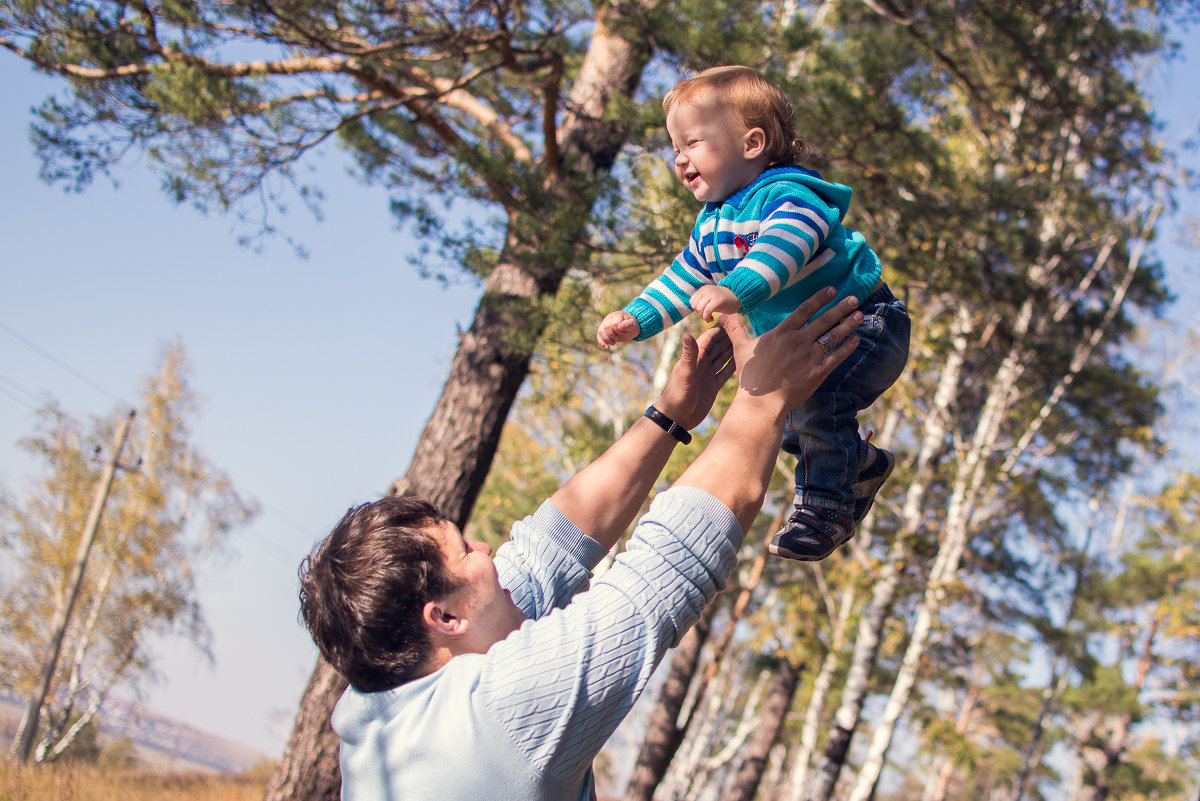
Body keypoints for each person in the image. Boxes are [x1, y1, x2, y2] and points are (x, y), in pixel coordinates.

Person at [299, 288, 864, 801]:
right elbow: (669, 564)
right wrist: (764, 398)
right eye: (464, 551)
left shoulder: (386, 704)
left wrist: (670, 417)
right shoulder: (498, 715)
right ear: (443, 617)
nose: (486, 549)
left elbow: (549, 550)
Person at [597, 65, 911, 562]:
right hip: (820, 337)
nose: (679, 159)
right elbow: (681, 279)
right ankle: (862, 465)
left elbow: (788, 242)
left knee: (814, 404)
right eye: (674, 148)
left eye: (692, 143)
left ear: (752, 143)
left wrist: (736, 289)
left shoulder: (787, 193)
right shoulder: (712, 224)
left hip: (867, 325)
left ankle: (823, 512)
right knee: (787, 418)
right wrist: (638, 318)